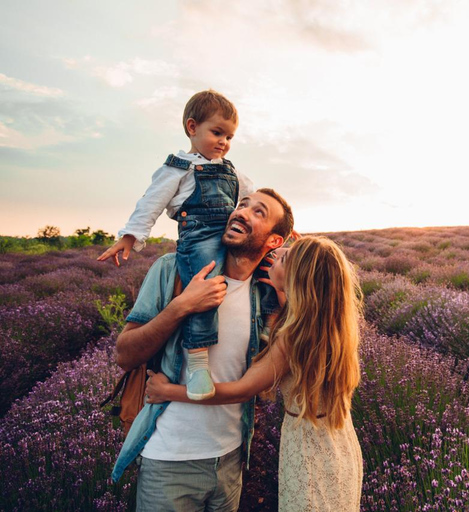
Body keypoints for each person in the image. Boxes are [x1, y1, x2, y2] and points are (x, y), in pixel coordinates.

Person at [146, 236, 364, 511]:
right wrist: (283, 282)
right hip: (340, 447)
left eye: (285, 258)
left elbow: (242, 390)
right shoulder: (332, 328)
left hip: (309, 455)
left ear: (298, 280)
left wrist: (168, 391)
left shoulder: (292, 339)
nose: (277, 253)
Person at [111, 188, 294, 512]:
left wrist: (280, 305)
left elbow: (264, 383)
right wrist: (181, 306)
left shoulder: (265, 294)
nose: (241, 212)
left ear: (275, 241)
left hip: (231, 459)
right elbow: (124, 355)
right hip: (169, 461)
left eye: (259, 212)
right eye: (242, 204)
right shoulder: (172, 269)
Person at [97, 89, 280, 401]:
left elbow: (256, 196)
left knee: (269, 266)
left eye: (229, 137)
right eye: (217, 133)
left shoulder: (231, 169)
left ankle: (267, 327)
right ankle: (197, 361)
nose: (224, 142)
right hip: (199, 237)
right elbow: (151, 202)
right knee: (205, 288)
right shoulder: (179, 166)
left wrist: (281, 227)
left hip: (226, 234)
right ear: (192, 127)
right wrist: (130, 235)